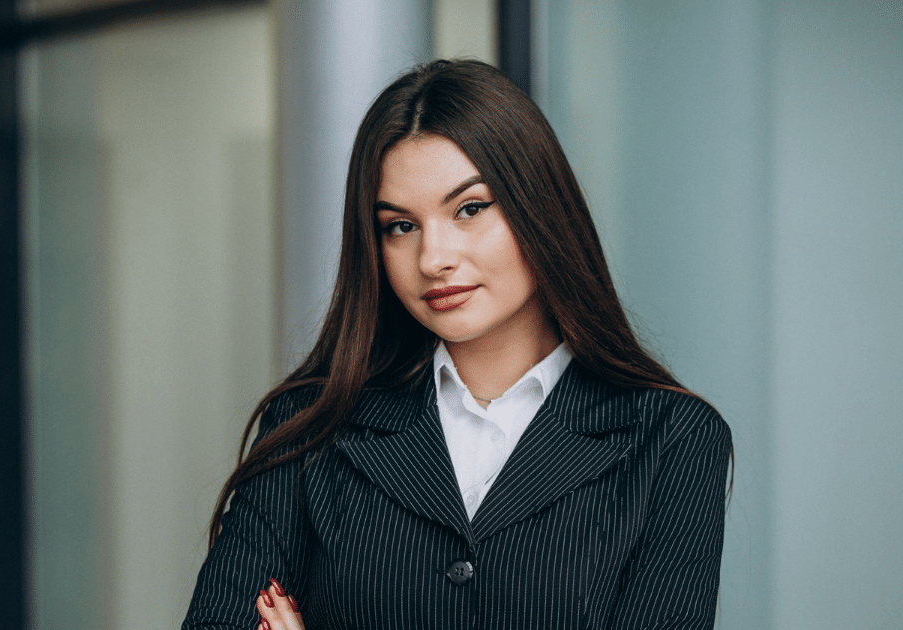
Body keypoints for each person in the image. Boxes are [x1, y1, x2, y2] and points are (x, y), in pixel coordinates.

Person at [182, 59, 731, 630]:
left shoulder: (672, 439)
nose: (433, 258)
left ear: (538, 206)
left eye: (470, 209)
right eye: (401, 226)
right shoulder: (310, 425)